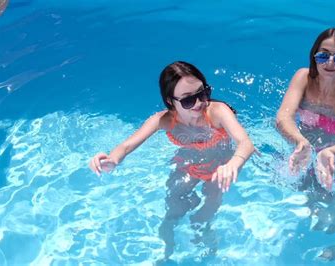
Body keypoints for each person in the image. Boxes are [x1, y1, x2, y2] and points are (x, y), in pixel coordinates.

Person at [89, 61, 254, 259]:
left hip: (220, 165)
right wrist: (112, 159)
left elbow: (246, 143)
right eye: (187, 100)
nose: (200, 103)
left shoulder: (217, 112)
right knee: (172, 210)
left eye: (203, 93)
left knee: (201, 218)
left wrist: (232, 164)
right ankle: (166, 255)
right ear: (170, 102)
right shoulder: (165, 120)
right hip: (190, 162)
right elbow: (126, 146)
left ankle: (210, 253)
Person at [276, 28, 335, 261]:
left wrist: (331, 152)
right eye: (323, 55)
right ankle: (311, 218)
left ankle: (334, 237)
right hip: (305, 144)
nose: (330, 62)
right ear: (314, 56)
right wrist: (301, 142)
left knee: (329, 193)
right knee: (299, 185)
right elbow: (283, 118)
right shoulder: (303, 78)